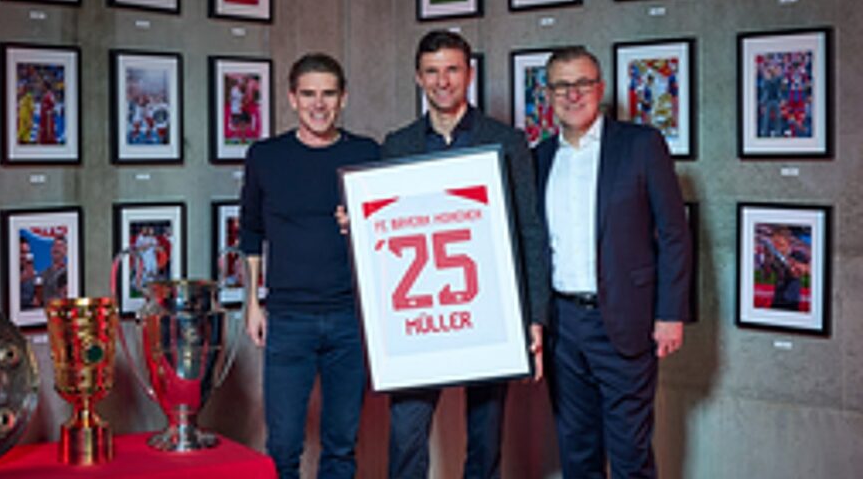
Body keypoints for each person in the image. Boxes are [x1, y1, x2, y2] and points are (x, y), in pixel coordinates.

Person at [381, 30, 550, 479]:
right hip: (418, 318)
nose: (443, 81)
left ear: (469, 74)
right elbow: (383, 229)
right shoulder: (396, 145)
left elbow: (530, 229)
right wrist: (354, 220)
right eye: (432, 71)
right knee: (406, 437)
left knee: (485, 439)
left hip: (490, 312)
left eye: (452, 69)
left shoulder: (508, 141)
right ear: (418, 77)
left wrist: (534, 316)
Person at [533, 47, 692, 479]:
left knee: (629, 454)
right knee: (576, 451)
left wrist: (670, 314)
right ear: (548, 95)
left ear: (600, 88)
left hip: (624, 319)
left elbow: (675, 234)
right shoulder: (540, 157)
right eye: (562, 86)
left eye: (582, 83)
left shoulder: (641, 145)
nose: (573, 94)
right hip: (562, 326)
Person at [240, 53, 380, 479]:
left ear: (343, 98)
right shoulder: (265, 156)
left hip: (350, 318)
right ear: (292, 98)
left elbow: (390, 229)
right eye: (308, 94)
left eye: (328, 94)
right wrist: (252, 303)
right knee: (282, 448)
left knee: (341, 446)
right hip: (287, 318)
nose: (318, 104)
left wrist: (362, 223)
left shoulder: (366, 153)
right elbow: (251, 232)